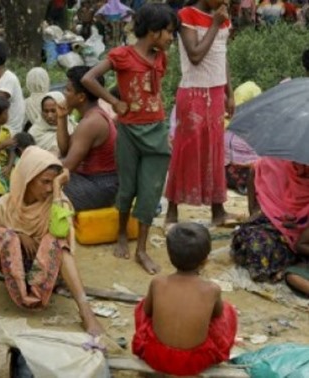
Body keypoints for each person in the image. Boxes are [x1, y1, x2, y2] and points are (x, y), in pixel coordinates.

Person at [0, 146, 103, 336]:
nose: (48, 188)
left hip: (50, 272)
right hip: (14, 270)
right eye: (45, 182)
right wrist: (18, 234)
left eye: (52, 183)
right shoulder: (6, 204)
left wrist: (56, 192)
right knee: (2, 237)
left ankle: (86, 312)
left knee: (58, 244)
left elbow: (60, 232)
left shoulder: (59, 202)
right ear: (28, 179)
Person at [81, 4, 176, 275]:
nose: (171, 38)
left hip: (155, 130)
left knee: (151, 189)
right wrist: (114, 101)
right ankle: (122, 233)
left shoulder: (161, 58)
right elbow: (89, 78)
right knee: (127, 187)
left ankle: (142, 249)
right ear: (154, 32)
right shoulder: (122, 56)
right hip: (129, 132)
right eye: (168, 32)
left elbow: (152, 92)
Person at [165, 0, 236, 229]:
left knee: (215, 149)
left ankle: (218, 210)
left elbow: (221, 55)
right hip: (193, 92)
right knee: (186, 149)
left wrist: (229, 92)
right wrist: (215, 24)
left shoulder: (221, 15)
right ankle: (172, 211)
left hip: (215, 93)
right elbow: (195, 55)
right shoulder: (187, 15)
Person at [133, 223, 238, 376]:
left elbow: (146, 312)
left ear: (170, 256)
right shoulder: (211, 289)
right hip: (195, 362)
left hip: (155, 356)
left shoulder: (158, 283)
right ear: (205, 261)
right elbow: (218, 315)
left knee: (143, 305)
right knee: (228, 311)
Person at [232, 158, 309, 293]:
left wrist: (301, 221)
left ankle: (290, 266)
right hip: (272, 223)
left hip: (302, 234)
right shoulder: (274, 163)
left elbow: (301, 243)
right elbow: (255, 169)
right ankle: (287, 267)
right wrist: (255, 211)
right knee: (254, 241)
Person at [60, 66, 118, 213]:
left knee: (43, 184)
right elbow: (65, 149)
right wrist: (62, 118)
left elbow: (68, 166)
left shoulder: (91, 122)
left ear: (81, 97)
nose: (64, 94)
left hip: (100, 186)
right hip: (94, 181)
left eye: (68, 90)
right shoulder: (90, 116)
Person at [29, 91, 72, 156]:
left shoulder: (73, 128)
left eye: (53, 111)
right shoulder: (33, 133)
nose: (49, 115)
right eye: (46, 111)